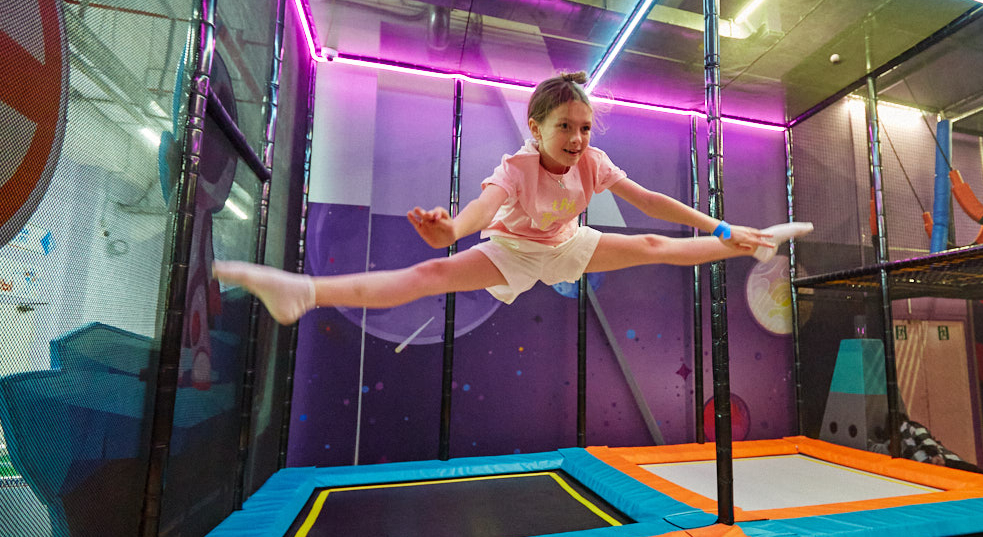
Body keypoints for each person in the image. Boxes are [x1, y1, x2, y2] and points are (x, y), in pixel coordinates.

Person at [214, 71, 812, 326]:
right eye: (564, 128)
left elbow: (652, 201)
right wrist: (451, 231)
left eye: (584, 128)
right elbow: (481, 211)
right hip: (513, 250)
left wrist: (723, 227)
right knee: (427, 274)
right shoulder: (517, 167)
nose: (576, 139)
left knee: (655, 245)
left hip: (566, 244)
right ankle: (304, 292)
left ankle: (752, 244)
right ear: (536, 128)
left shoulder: (594, 162)